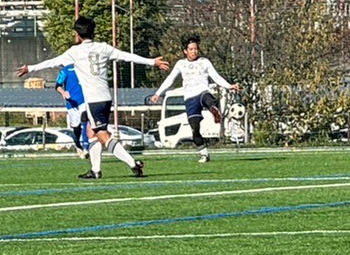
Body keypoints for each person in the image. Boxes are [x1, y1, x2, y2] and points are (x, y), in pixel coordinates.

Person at [16, 16, 169, 179]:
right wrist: (152, 62)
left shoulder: (74, 52)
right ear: (93, 31)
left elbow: (53, 62)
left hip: (93, 100)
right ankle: (95, 170)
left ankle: (133, 164)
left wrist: (30, 68)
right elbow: (126, 56)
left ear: (77, 34)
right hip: (105, 98)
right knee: (91, 133)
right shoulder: (103, 47)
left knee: (102, 135)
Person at [149, 34, 239, 163]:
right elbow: (170, 79)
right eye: (191, 49)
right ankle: (204, 154)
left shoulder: (204, 62)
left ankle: (213, 109)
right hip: (190, 99)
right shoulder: (181, 64)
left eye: (196, 49)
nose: (194, 52)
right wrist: (158, 93)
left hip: (202, 92)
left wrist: (229, 86)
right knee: (195, 129)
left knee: (207, 97)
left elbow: (216, 76)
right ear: (185, 51)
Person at [55, 64, 89, 157]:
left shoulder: (85, 66)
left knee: (85, 120)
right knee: (76, 128)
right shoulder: (66, 70)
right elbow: (57, 85)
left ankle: (86, 148)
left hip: (84, 100)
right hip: (72, 103)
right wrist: (63, 92)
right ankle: (77, 144)